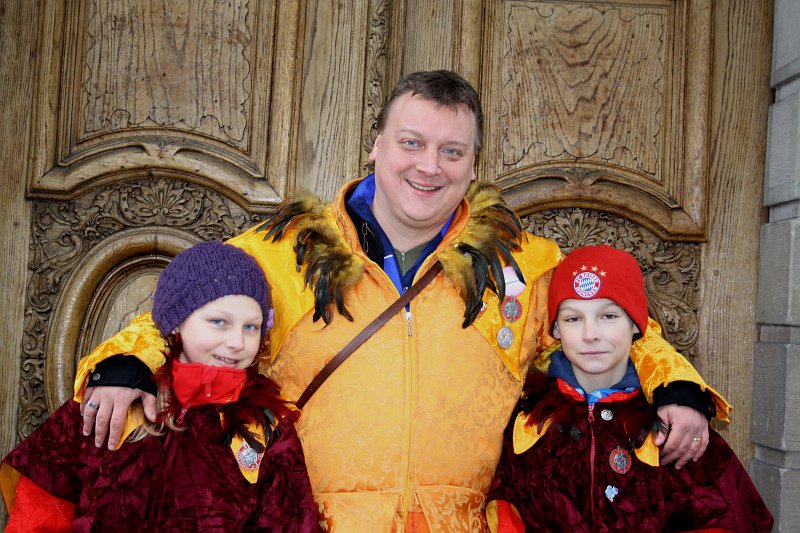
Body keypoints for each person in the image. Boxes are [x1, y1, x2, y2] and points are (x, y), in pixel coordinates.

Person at [73, 71, 730, 530]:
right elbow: (181, 311)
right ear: (377, 146)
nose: (428, 166)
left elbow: (617, 323)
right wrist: (124, 367)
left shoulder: (523, 266)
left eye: (451, 151)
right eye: (411, 142)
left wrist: (677, 390)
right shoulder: (284, 253)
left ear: (474, 165)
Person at [0, 241, 321, 532]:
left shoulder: (266, 425)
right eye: (218, 322)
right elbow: (41, 510)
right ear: (177, 322)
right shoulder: (113, 400)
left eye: (250, 327)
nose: (237, 342)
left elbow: (293, 522)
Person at [485, 245, 772, 532]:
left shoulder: (672, 423)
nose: (590, 334)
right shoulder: (527, 422)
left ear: (636, 323)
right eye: (573, 318)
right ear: (556, 329)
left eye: (608, 316)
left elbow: (724, 517)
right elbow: (505, 508)